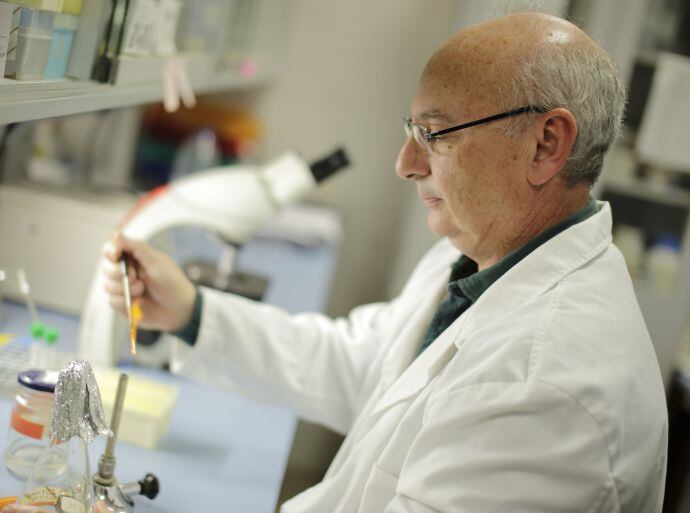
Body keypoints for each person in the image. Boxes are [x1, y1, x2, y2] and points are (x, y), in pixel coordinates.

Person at [97, 11, 667, 513]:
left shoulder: (548, 389)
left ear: (546, 144)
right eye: (410, 130)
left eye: (435, 133)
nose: (405, 163)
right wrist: (192, 312)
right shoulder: (481, 258)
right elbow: (363, 365)